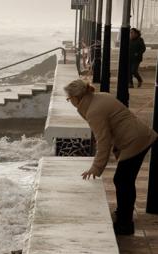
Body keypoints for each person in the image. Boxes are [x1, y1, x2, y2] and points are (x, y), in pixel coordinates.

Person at [64, 79, 157, 235]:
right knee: (124, 179)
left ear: (76, 97)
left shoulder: (94, 111)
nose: (69, 102)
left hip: (135, 141)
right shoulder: (100, 97)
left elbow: (103, 141)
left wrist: (96, 167)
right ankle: (122, 215)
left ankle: (125, 224)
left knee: (122, 180)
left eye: (69, 99)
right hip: (137, 137)